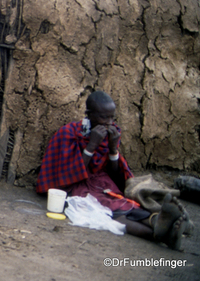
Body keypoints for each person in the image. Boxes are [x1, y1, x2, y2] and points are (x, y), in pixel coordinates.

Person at [36, 90, 189, 250]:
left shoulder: (111, 133)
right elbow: (67, 176)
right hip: (77, 185)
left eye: (112, 117)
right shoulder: (70, 133)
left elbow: (116, 175)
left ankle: (158, 222)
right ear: (89, 114)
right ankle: (160, 233)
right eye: (104, 117)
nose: (109, 123)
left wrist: (113, 149)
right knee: (108, 211)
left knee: (123, 203)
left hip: (103, 183)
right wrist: (91, 146)